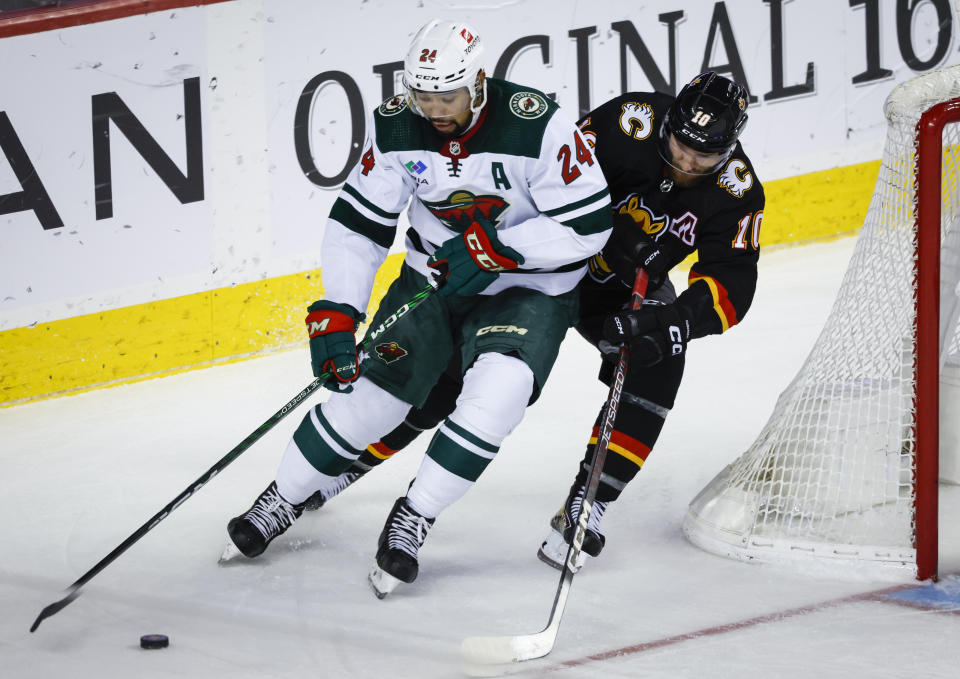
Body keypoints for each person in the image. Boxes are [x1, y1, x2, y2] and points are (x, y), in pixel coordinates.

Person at [300, 71, 765, 570]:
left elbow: (731, 284)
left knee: (659, 362)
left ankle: (589, 503)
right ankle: (350, 463)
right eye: (679, 145)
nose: (687, 162)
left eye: (705, 157)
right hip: (540, 270)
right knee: (449, 372)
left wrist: (673, 321)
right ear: (668, 123)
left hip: (619, 295)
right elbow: (543, 185)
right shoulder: (629, 123)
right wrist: (603, 236)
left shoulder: (737, 193)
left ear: (731, 148)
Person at [221, 18, 612, 597]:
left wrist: (499, 249)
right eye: (421, 94)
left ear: (478, 83)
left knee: (497, 396)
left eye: (447, 95)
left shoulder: (540, 125)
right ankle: (282, 497)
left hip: (529, 291)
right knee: (371, 396)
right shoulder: (397, 125)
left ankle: (415, 516)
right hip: (433, 280)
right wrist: (339, 308)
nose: (433, 108)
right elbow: (359, 222)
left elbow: (590, 225)